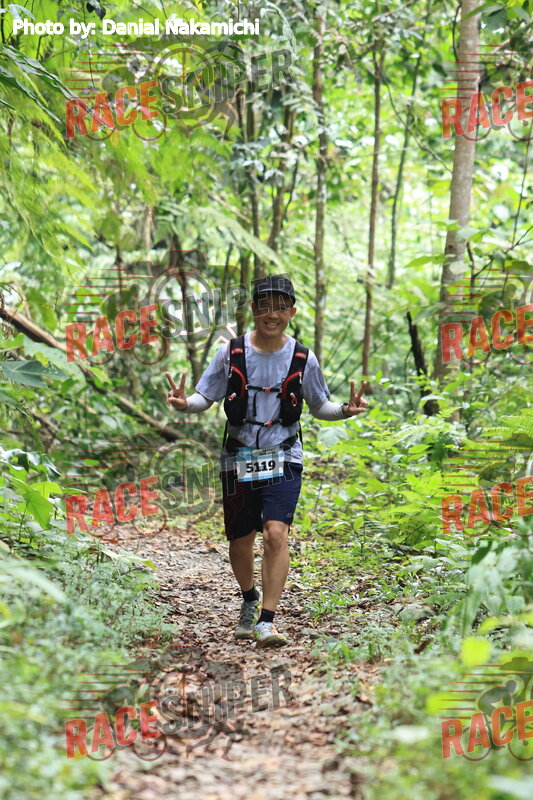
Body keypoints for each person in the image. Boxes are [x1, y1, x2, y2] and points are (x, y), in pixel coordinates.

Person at [165, 275, 368, 648]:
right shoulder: (230, 352)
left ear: (292, 312)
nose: (272, 314)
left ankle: (267, 621)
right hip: (238, 455)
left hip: (285, 454)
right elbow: (204, 397)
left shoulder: (303, 358)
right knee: (241, 539)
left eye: (280, 307)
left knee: (276, 533)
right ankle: (249, 598)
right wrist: (183, 404)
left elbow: (319, 406)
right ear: (253, 309)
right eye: (264, 306)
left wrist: (345, 410)